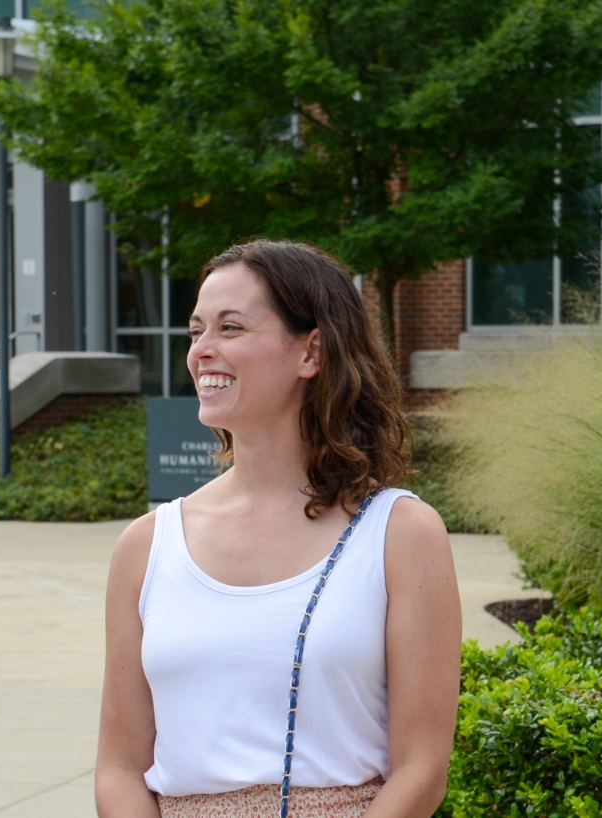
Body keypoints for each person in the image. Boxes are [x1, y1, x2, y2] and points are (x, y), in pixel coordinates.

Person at [95, 240, 462, 818]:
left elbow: (421, 769)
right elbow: (119, 766)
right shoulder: (147, 545)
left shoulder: (400, 533)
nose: (201, 352)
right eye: (196, 332)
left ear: (311, 351)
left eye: (230, 328)